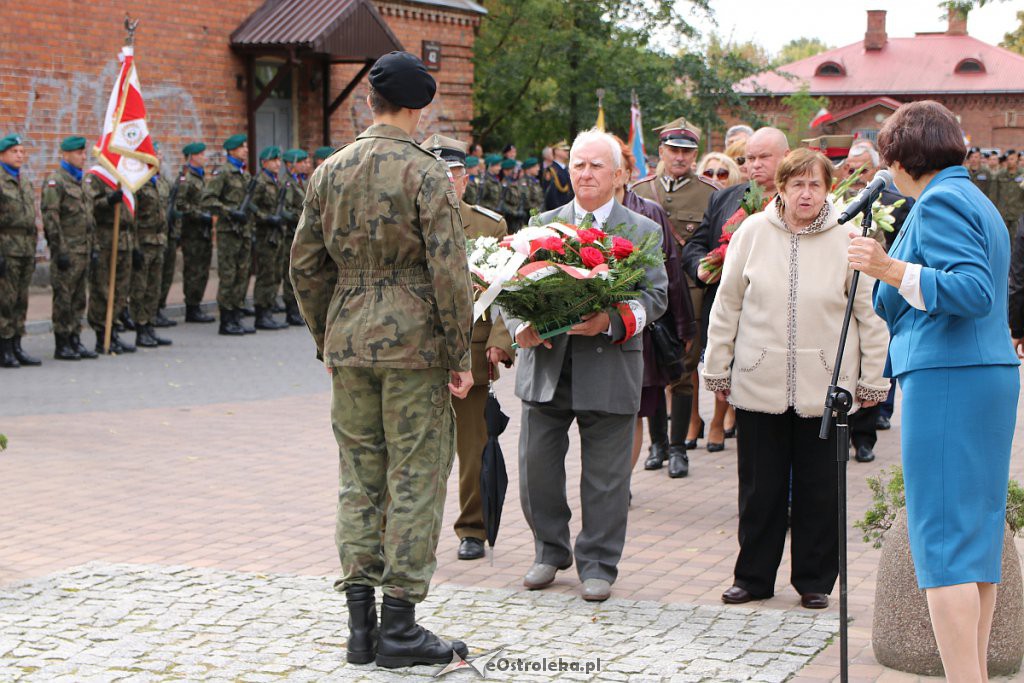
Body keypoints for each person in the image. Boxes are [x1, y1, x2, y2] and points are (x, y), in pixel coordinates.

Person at [290, 51, 474, 669]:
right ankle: (400, 625)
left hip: (350, 343)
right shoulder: (426, 174)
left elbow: (305, 265)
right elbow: (449, 269)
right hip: (415, 345)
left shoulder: (328, 170)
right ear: (420, 109)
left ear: (369, 102)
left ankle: (360, 629)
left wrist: (327, 337)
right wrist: (459, 351)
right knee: (416, 477)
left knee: (359, 479)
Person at [848, 101, 1020, 681]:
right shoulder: (974, 200)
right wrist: (888, 268)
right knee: (974, 546)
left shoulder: (942, 200)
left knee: (944, 544)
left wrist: (888, 268)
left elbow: (971, 291)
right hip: (982, 375)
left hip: (950, 378)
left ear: (900, 156)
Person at [704, 148, 889, 610]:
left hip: (826, 387)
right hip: (758, 380)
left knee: (819, 490)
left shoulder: (849, 238)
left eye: (815, 185)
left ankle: (815, 580)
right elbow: (727, 305)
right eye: (797, 184)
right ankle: (752, 577)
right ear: (781, 188)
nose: (806, 193)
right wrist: (718, 366)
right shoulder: (751, 232)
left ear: (828, 189)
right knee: (759, 488)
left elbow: (869, 315)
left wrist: (871, 380)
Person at [508, 128, 668, 602]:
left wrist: (608, 322)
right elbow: (509, 287)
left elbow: (655, 297)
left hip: (610, 365)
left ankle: (598, 562)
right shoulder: (543, 224)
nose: (585, 173)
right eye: (578, 164)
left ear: (619, 174)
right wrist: (520, 327)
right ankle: (548, 550)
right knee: (537, 468)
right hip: (547, 365)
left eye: (597, 165)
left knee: (605, 477)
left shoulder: (643, 231)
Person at [424, 133, 515, 562]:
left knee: (473, 445)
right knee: (417, 447)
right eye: (435, 173)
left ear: (465, 180)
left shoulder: (488, 225)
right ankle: (414, 529)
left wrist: (500, 342)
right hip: (417, 352)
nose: (445, 181)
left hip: (472, 349)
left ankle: (472, 528)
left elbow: (504, 291)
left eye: (453, 173)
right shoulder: (403, 220)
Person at [682, 129, 791, 452]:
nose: (753, 166)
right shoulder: (724, 198)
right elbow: (697, 243)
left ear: (785, 157)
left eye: (763, 158)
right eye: (748, 159)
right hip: (729, 311)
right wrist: (701, 264)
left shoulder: (801, 200)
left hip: (777, 322)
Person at [632, 117, 716, 467]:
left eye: (687, 151)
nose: (680, 157)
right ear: (661, 151)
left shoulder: (709, 193)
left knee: (682, 369)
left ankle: (679, 447)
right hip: (650, 294)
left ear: (695, 154)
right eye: (673, 150)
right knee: (651, 372)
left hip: (690, 295)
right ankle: (657, 446)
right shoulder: (639, 191)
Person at [611, 135, 696, 479]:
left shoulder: (649, 212)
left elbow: (671, 274)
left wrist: (684, 327)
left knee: (634, 409)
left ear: (626, 172)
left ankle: (622, 483)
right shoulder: (579, 212)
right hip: (593, 331)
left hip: (641, 326)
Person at [41, 135, 97, 361]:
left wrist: (93, 248)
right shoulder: (57, 181)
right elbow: (51, 218)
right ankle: (62, 342)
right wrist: (59, 250)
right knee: (63, 299)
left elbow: (88, 219)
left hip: (83, 249)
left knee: (78, 299)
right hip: (67, 251)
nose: (83, 157)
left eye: (84, 153)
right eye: (79, 153)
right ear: (65, 154)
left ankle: (75, 338)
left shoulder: (81, 182)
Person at [203, 134, 255, 336]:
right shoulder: (223, 173)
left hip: (244, 231)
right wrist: (230, 212)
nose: (246, 150)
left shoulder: (244, 174)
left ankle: (236, 315)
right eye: (242, 147)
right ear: (231, 150)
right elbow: (207, 200)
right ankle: (226, 320)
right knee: (228, 275)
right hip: (228, 233)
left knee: (242, 274)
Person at [86, 151, 137, 355]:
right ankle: (102, 335)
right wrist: (108, 200)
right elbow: (90, 205)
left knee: (120, 290)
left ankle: (114, 330)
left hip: (124, 238)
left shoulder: (123, 177)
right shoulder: (97, 177)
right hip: (106, 238)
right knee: (103, 289)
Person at [0, 134, 42, 368]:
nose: (19, 155)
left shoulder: (24, 182)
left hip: (24, 249)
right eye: (15, 151)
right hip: (6, 249)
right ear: (3, 154)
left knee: (20, 300)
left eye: (22, 151)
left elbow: (30, 219)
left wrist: (34, 250)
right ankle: (4, 347)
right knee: (5, 301)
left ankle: (17, 344)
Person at [129, 171, 173, 348]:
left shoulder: (157, 183)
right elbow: (131, 216)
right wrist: (134, 246)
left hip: (157, 242)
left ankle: (150, 326)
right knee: (140, 288)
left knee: (154, 288)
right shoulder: (137, 184)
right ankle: (140, 329)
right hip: (143, 243)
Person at [247, 146, 289, 331]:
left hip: (277, 233)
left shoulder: (276, 181)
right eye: (274, 160)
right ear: (264, 163)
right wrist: (267, 217)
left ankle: (269, 309)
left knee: (275, 273)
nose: (278, 164)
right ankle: (261, 313)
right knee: (265, 274)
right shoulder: (260, 181)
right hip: (265, 234)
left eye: (279, 160)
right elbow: (250, 206)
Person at [175, 142, 215, 323]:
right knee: (193, 270)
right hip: (192, 233)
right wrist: (201, 216)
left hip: (203, 232)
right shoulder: (187, 179)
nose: (204, 157)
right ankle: (191, 307)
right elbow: (181, 205)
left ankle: (196, 304)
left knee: (203, 270)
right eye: (200, 154)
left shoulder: (200, 178)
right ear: (192, 157)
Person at [278, 149, 307, 326]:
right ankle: (291, 309)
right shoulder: (287, 183)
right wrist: (301, 217)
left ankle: (296, 309)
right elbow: (286, 210)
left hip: (298, 234)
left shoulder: (299, 182)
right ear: (290, 164)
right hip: (290, 234)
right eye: (301, 161)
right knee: (291, 273)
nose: (305, 164)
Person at [990, 150, 1024, 238]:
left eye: (1012, 159)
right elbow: (994, 194)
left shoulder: (1022, 174)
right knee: (1001, 237)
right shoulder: (1000, 174)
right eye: (1008, 159)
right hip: (1002, 213)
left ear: (1017, 160)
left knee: (1016, 239)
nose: (1009, 161)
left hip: (1018, 214)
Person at [543, 140, 573, 210]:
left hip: (569, 208)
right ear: (556, 151)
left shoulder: (567, 169)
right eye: (564, 150)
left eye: (567, 150)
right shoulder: (551, 170)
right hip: (558, 210)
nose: (567, 152)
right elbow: (551, 195)